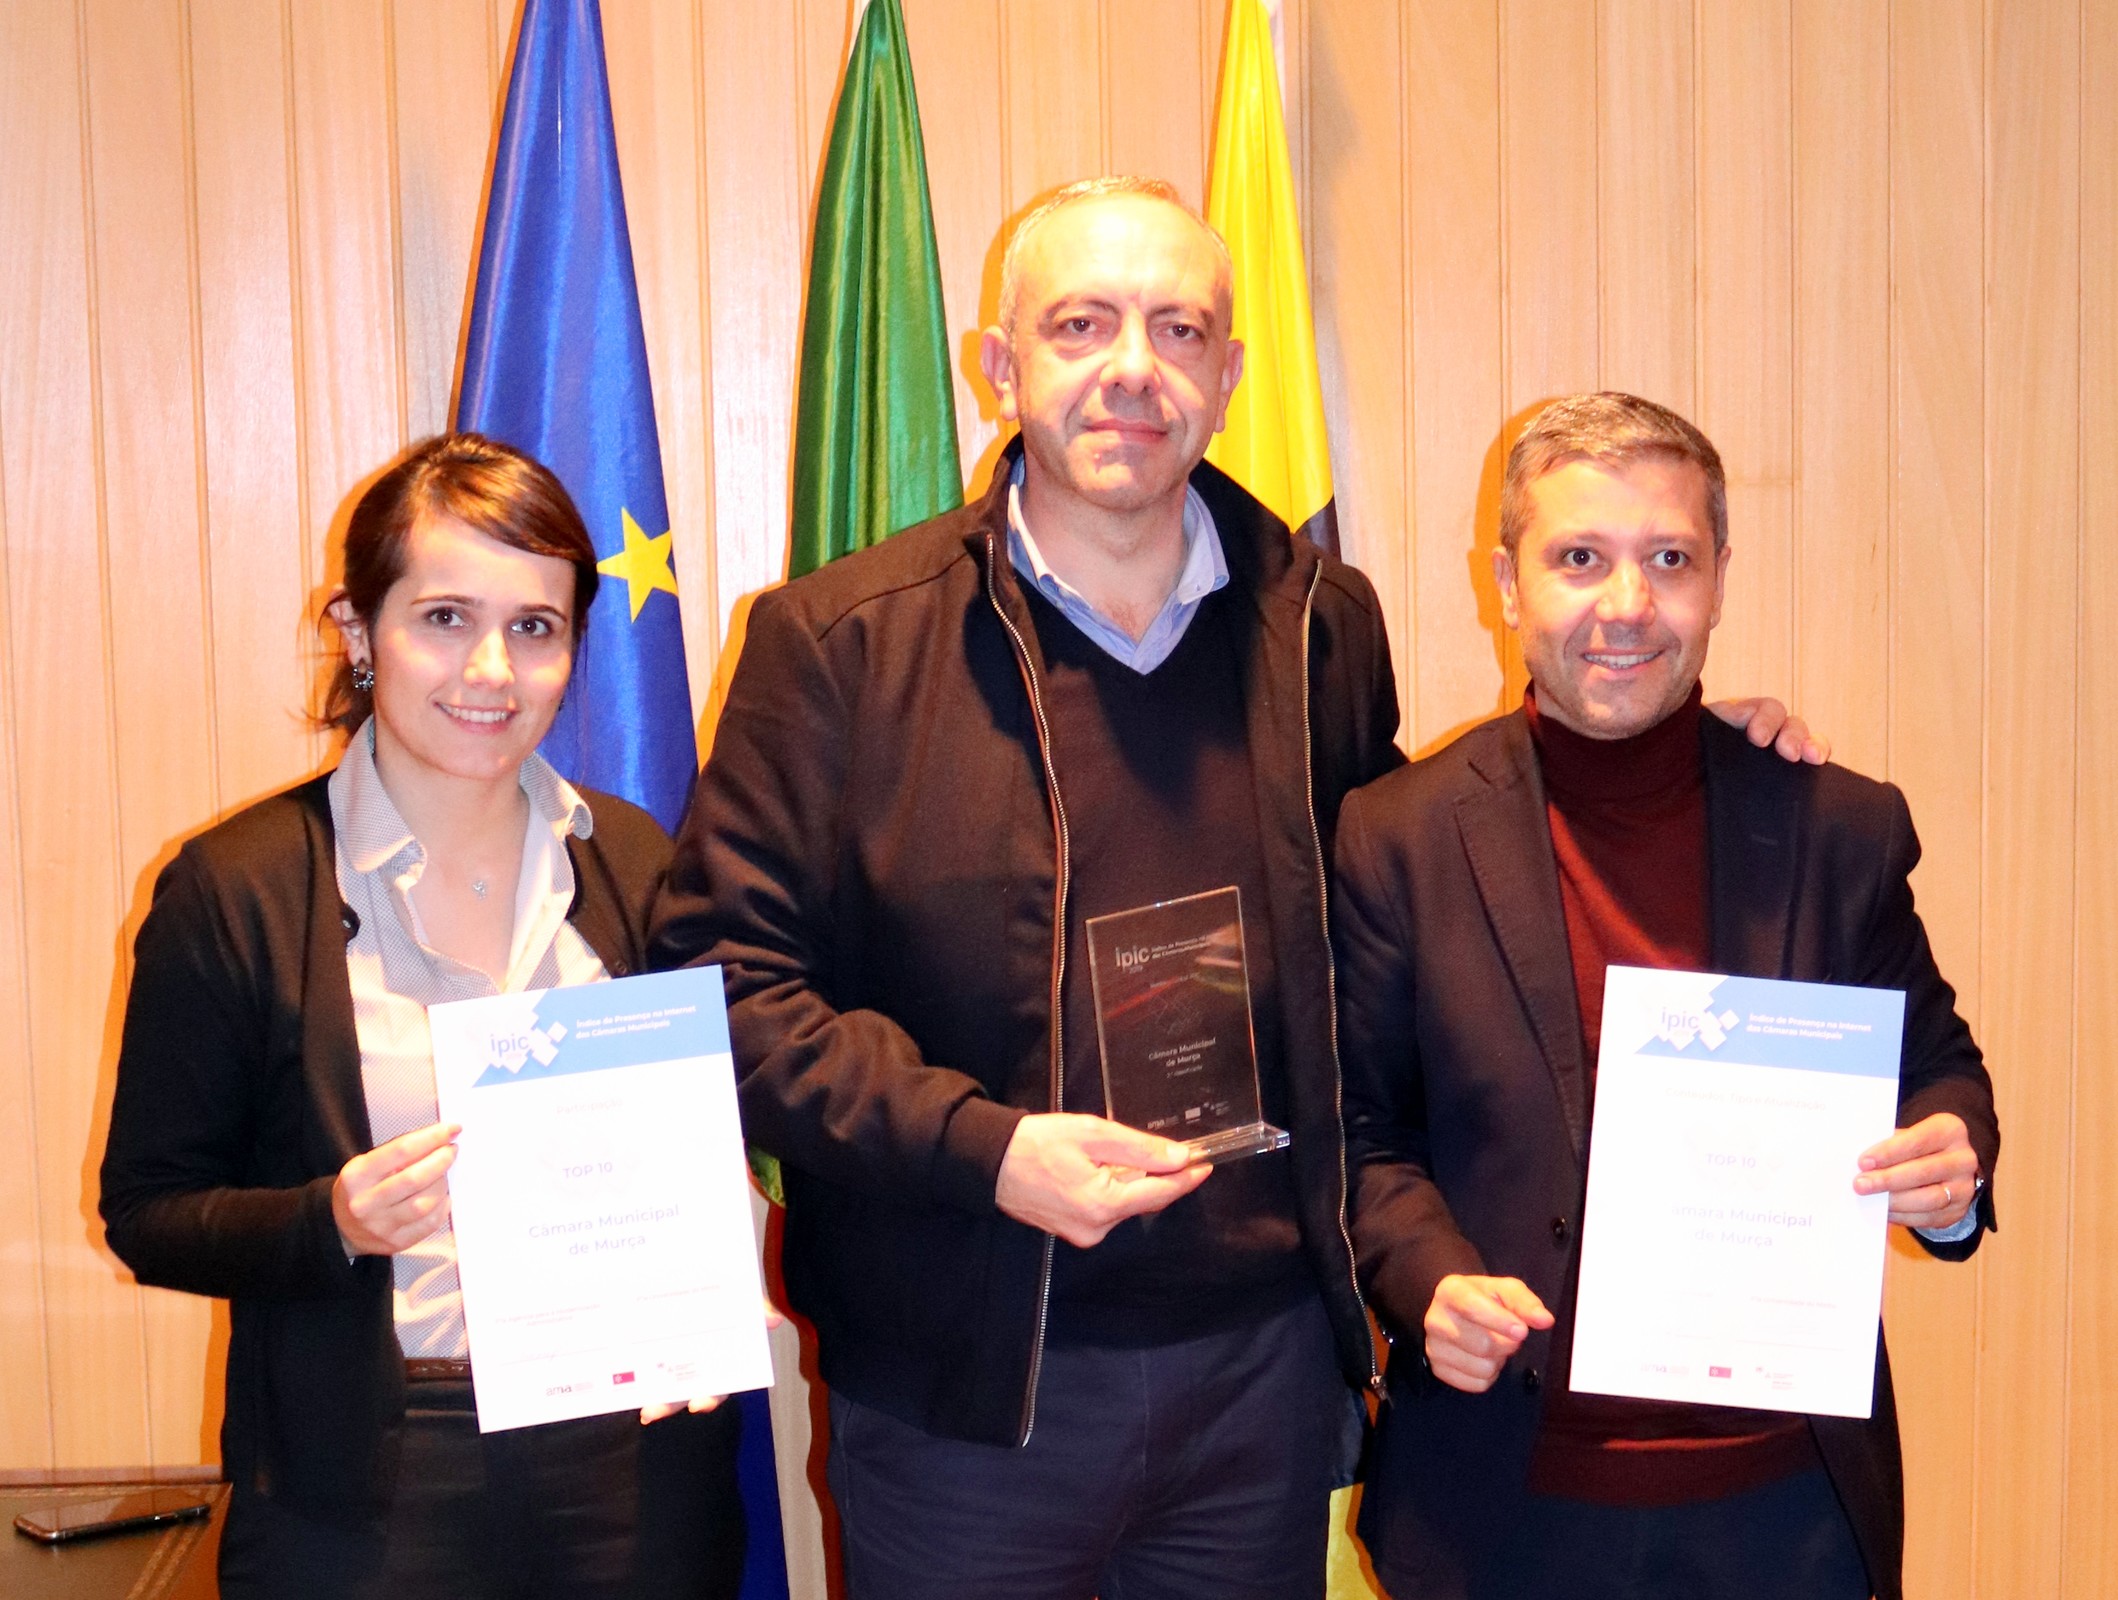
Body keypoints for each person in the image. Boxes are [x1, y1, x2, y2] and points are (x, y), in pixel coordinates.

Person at [654, 184, 1820, 1599]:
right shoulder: (842, 643)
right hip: (968, 1384)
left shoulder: (1322, 622)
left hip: (1258, 1381)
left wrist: (1667, 743)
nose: (1131, 367)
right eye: (1081, 325)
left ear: (1226, 376)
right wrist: (986, 1151)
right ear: (1001, 366)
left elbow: (1427, 887)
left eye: (1178, 329)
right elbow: (723, 995)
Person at [1332, 392, 1999, 1600]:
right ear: (1508, 583)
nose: (1628, 603)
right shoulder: (1398, 837)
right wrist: (1428, 1282)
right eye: (1580, 558)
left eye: (1671, 558)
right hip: (1506, 1508)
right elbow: (1364, 1135)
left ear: (1721, 577)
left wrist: (1950, 1158)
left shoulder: (1835, 828)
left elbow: (1940, 1064)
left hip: (1787, 1509)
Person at [99, 434, 743, 1600]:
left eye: (535, 626)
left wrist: (695, 1270)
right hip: (367, 1487)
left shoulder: (634, 857)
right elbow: (148, 1212)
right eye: (445, 617)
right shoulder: (238, 888)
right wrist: (332, 1218)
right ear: (358, 630)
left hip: (631, 1468)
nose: (491, 669)